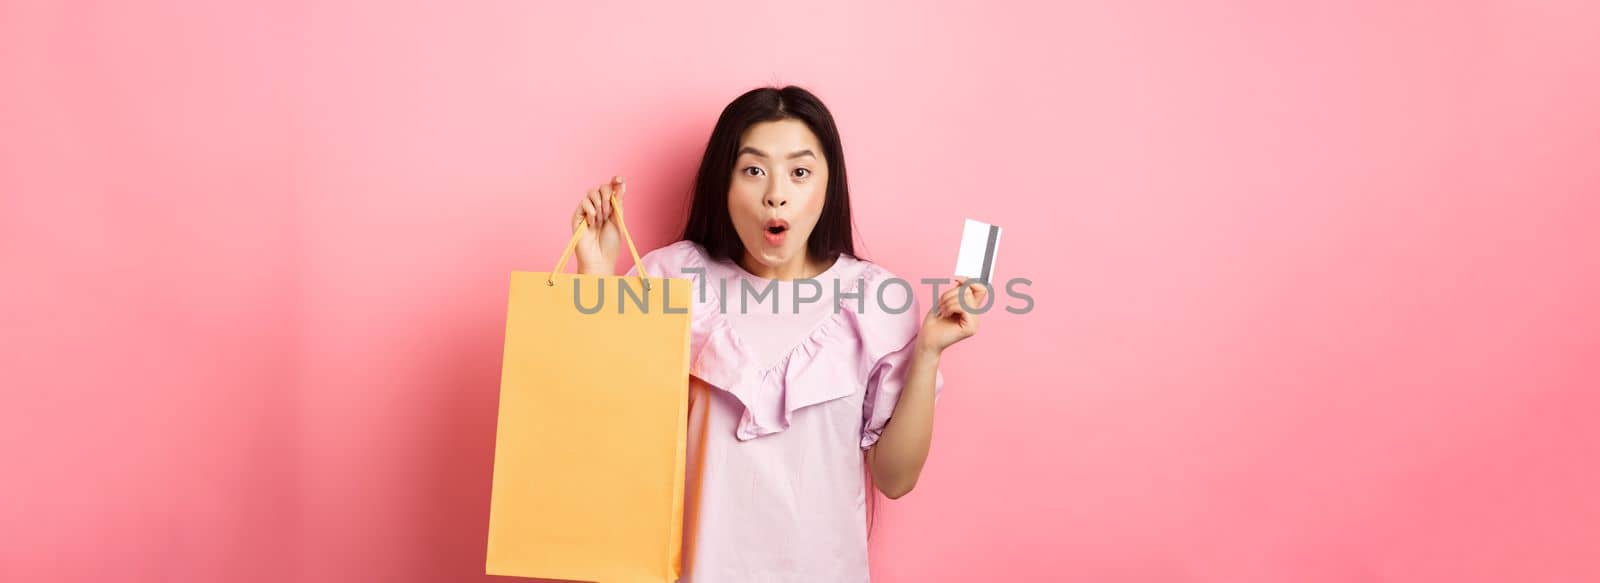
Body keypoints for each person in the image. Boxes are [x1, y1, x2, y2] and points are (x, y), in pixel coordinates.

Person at [567, 85, 986, 582]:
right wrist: (595, 273)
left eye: (800, 172)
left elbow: (895, 480)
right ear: (724, 183)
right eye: (753, 170)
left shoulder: (875, 298)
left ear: (828, 187)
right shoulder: (668, 279)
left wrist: (929, 354)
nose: (776, 193)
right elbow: (608, 429)